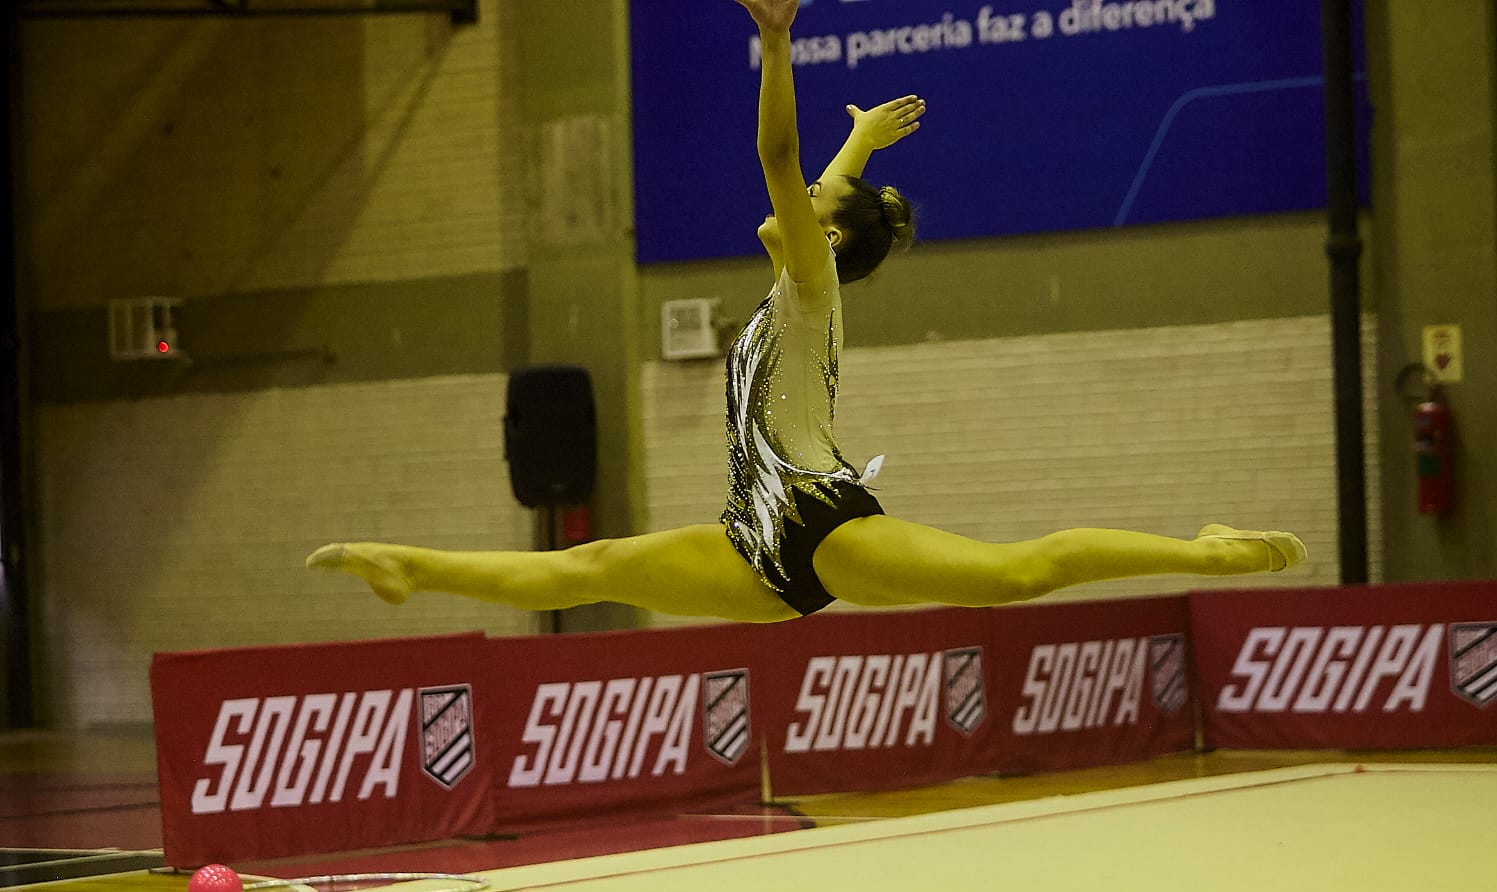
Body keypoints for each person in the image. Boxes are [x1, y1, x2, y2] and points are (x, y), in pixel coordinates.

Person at [307, 0, 1306, 624]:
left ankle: (1208, 548)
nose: (791, 205)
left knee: (1016, 574)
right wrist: (862, 147)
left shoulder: (811, 286)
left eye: (815, 210)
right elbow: (820, 192)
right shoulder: (801, 284)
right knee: (591, 566)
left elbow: (784, 165)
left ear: (823, 238)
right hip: (754, 541)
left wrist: (777, 43)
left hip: (822, 522)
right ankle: (408, 565)